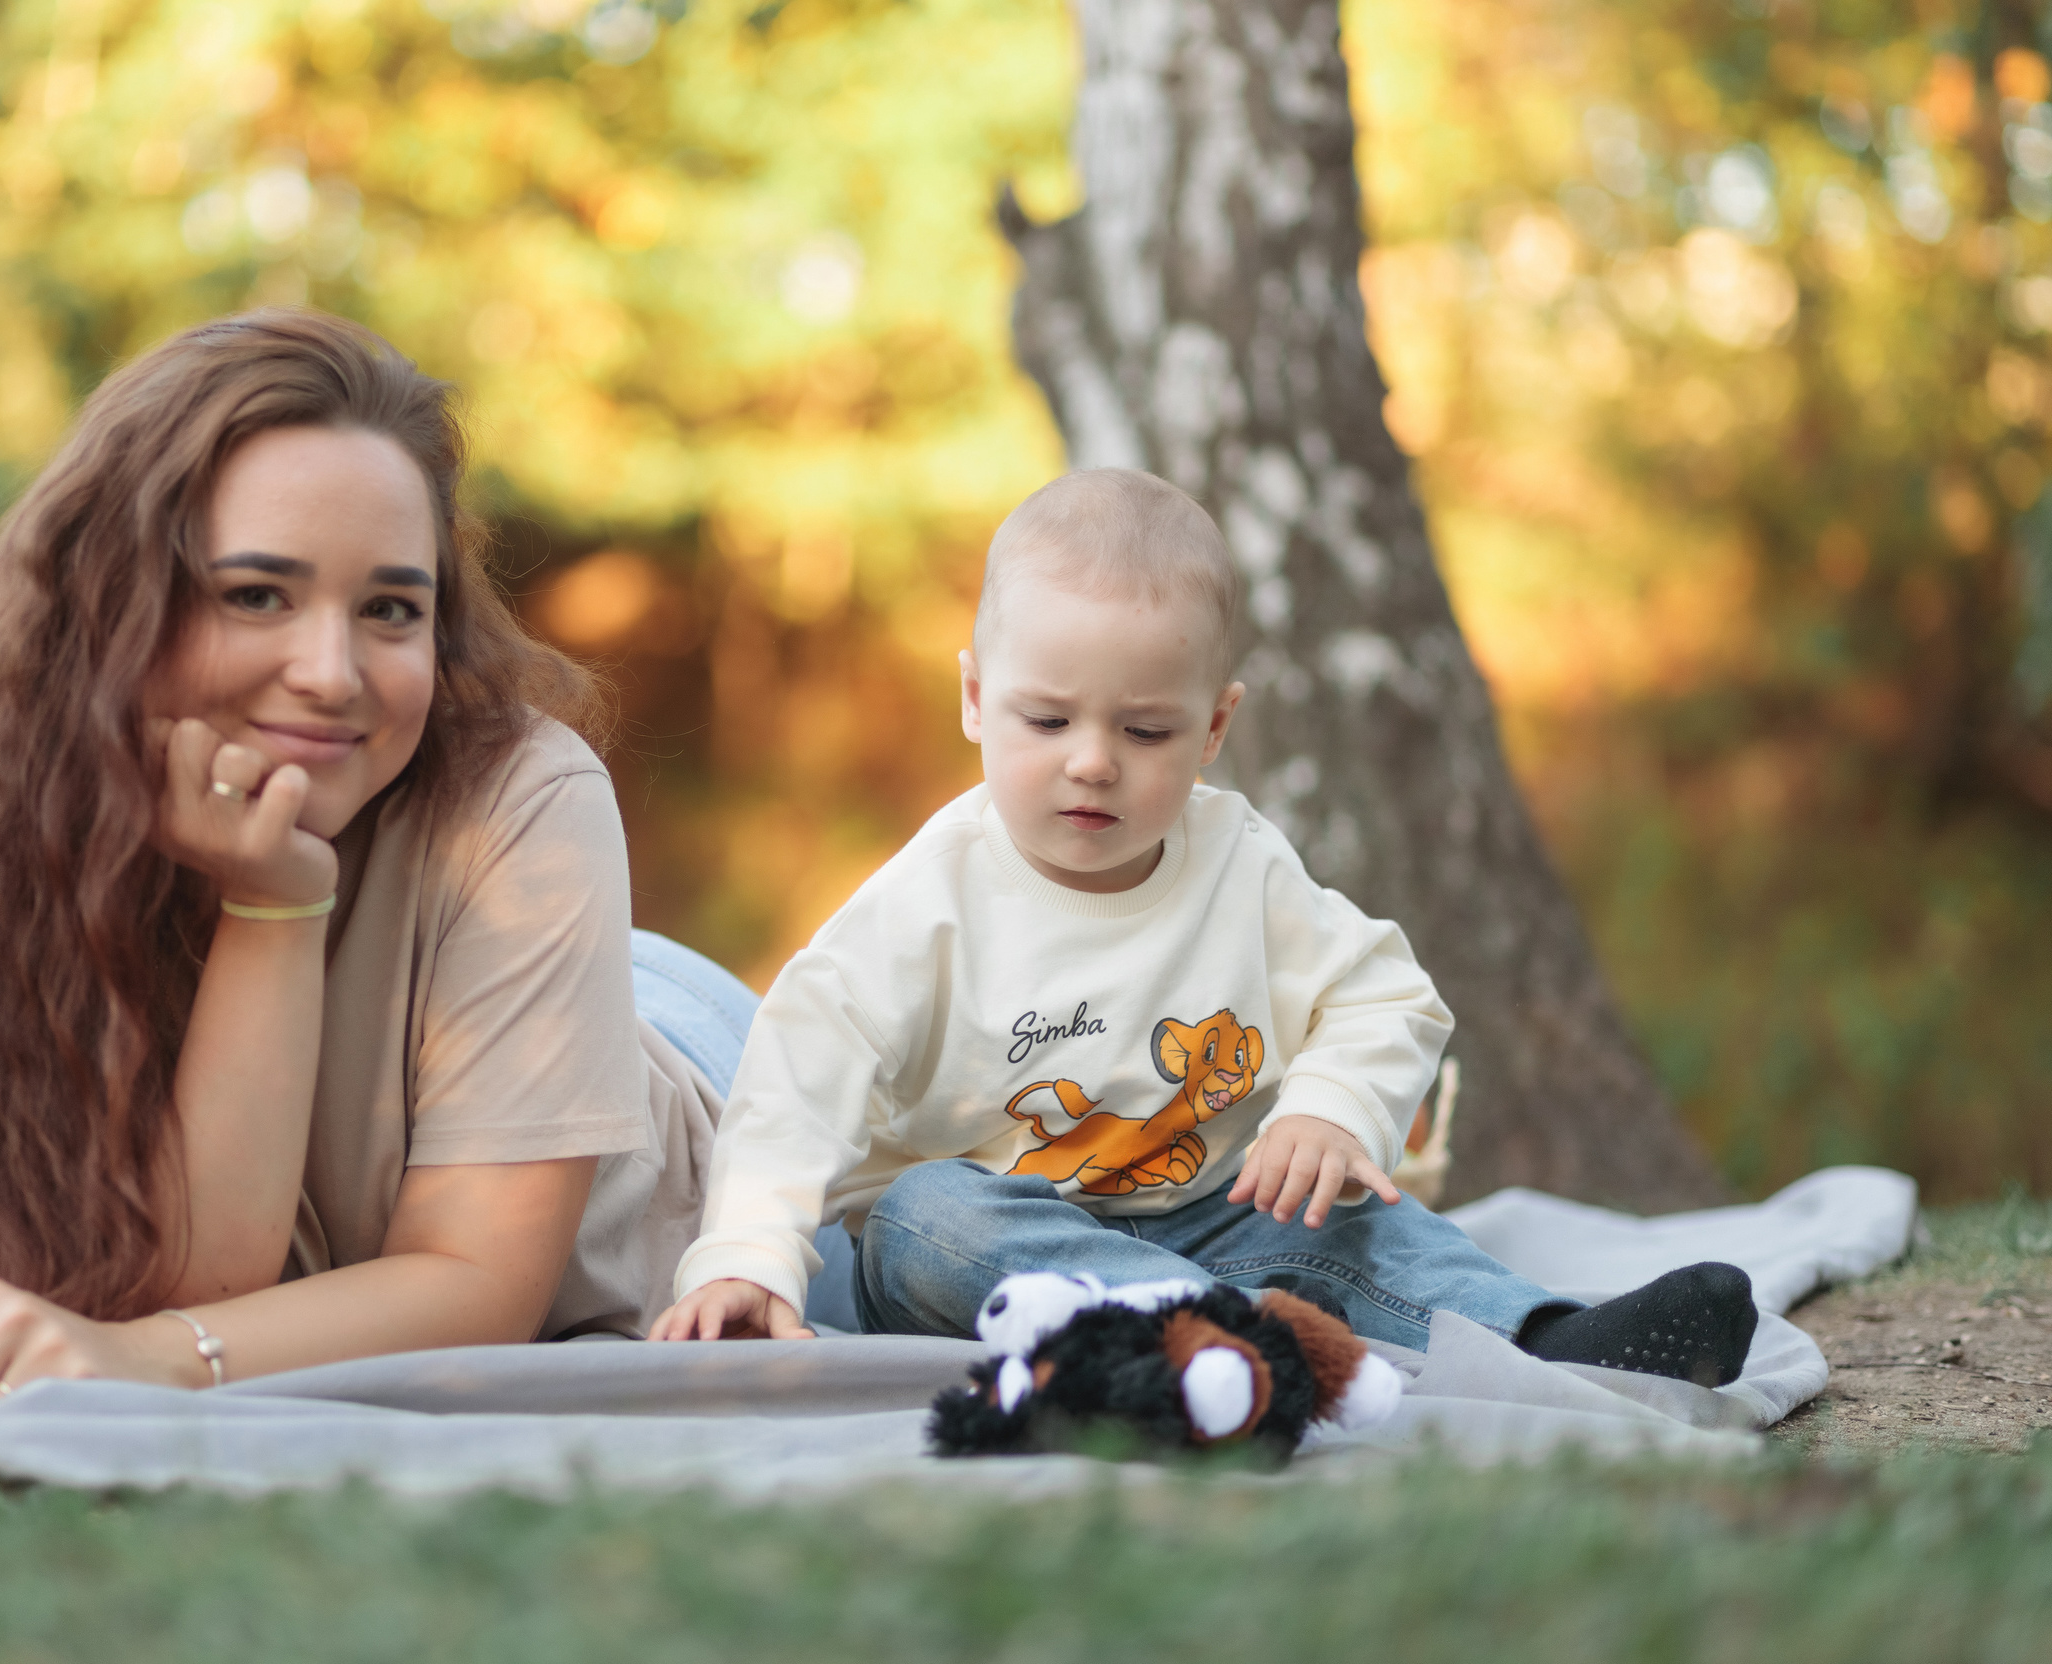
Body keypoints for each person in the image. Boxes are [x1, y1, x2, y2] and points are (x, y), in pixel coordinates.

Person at [0, 307, 752, 1399]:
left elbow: (478, 1283)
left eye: (390, 608)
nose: (330, 673)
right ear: (111, 604)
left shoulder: (524, 794)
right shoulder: (10, 823)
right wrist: (272, 901)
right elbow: (208, 1279)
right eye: (255, 595)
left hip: (690, 1065)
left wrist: (144, 1355)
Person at [651, 468, 1758, 1390]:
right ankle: (1224, 1336)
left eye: (1145, 731)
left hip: (1217, 1215)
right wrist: (746, 1255)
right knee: (922, 1215)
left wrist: (1328, 1109)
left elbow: (1384, 991)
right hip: (1003, 1252)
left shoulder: (1238, 863)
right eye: (1048, 719)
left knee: (1355, 1223)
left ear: (1215, 725)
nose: (1093, 761)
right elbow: (794, 1081)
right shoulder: (925, 905)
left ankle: (1548, 1339)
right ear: (977, 700)